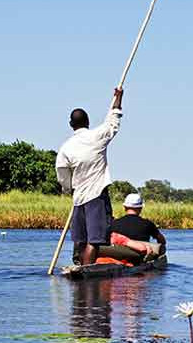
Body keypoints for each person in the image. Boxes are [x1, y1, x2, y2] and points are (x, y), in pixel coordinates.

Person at [56, 88, 124, 265]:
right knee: (94, 241)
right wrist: (118, 98)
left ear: (71, 125)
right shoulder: (96, 136)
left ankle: (79, 268)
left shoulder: (66, 148)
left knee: (80, 240)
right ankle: (86, 270)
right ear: (87, 122)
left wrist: (68, 189)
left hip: (78, 198)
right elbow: (112, 123)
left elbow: (62, 173)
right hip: (96, 196)